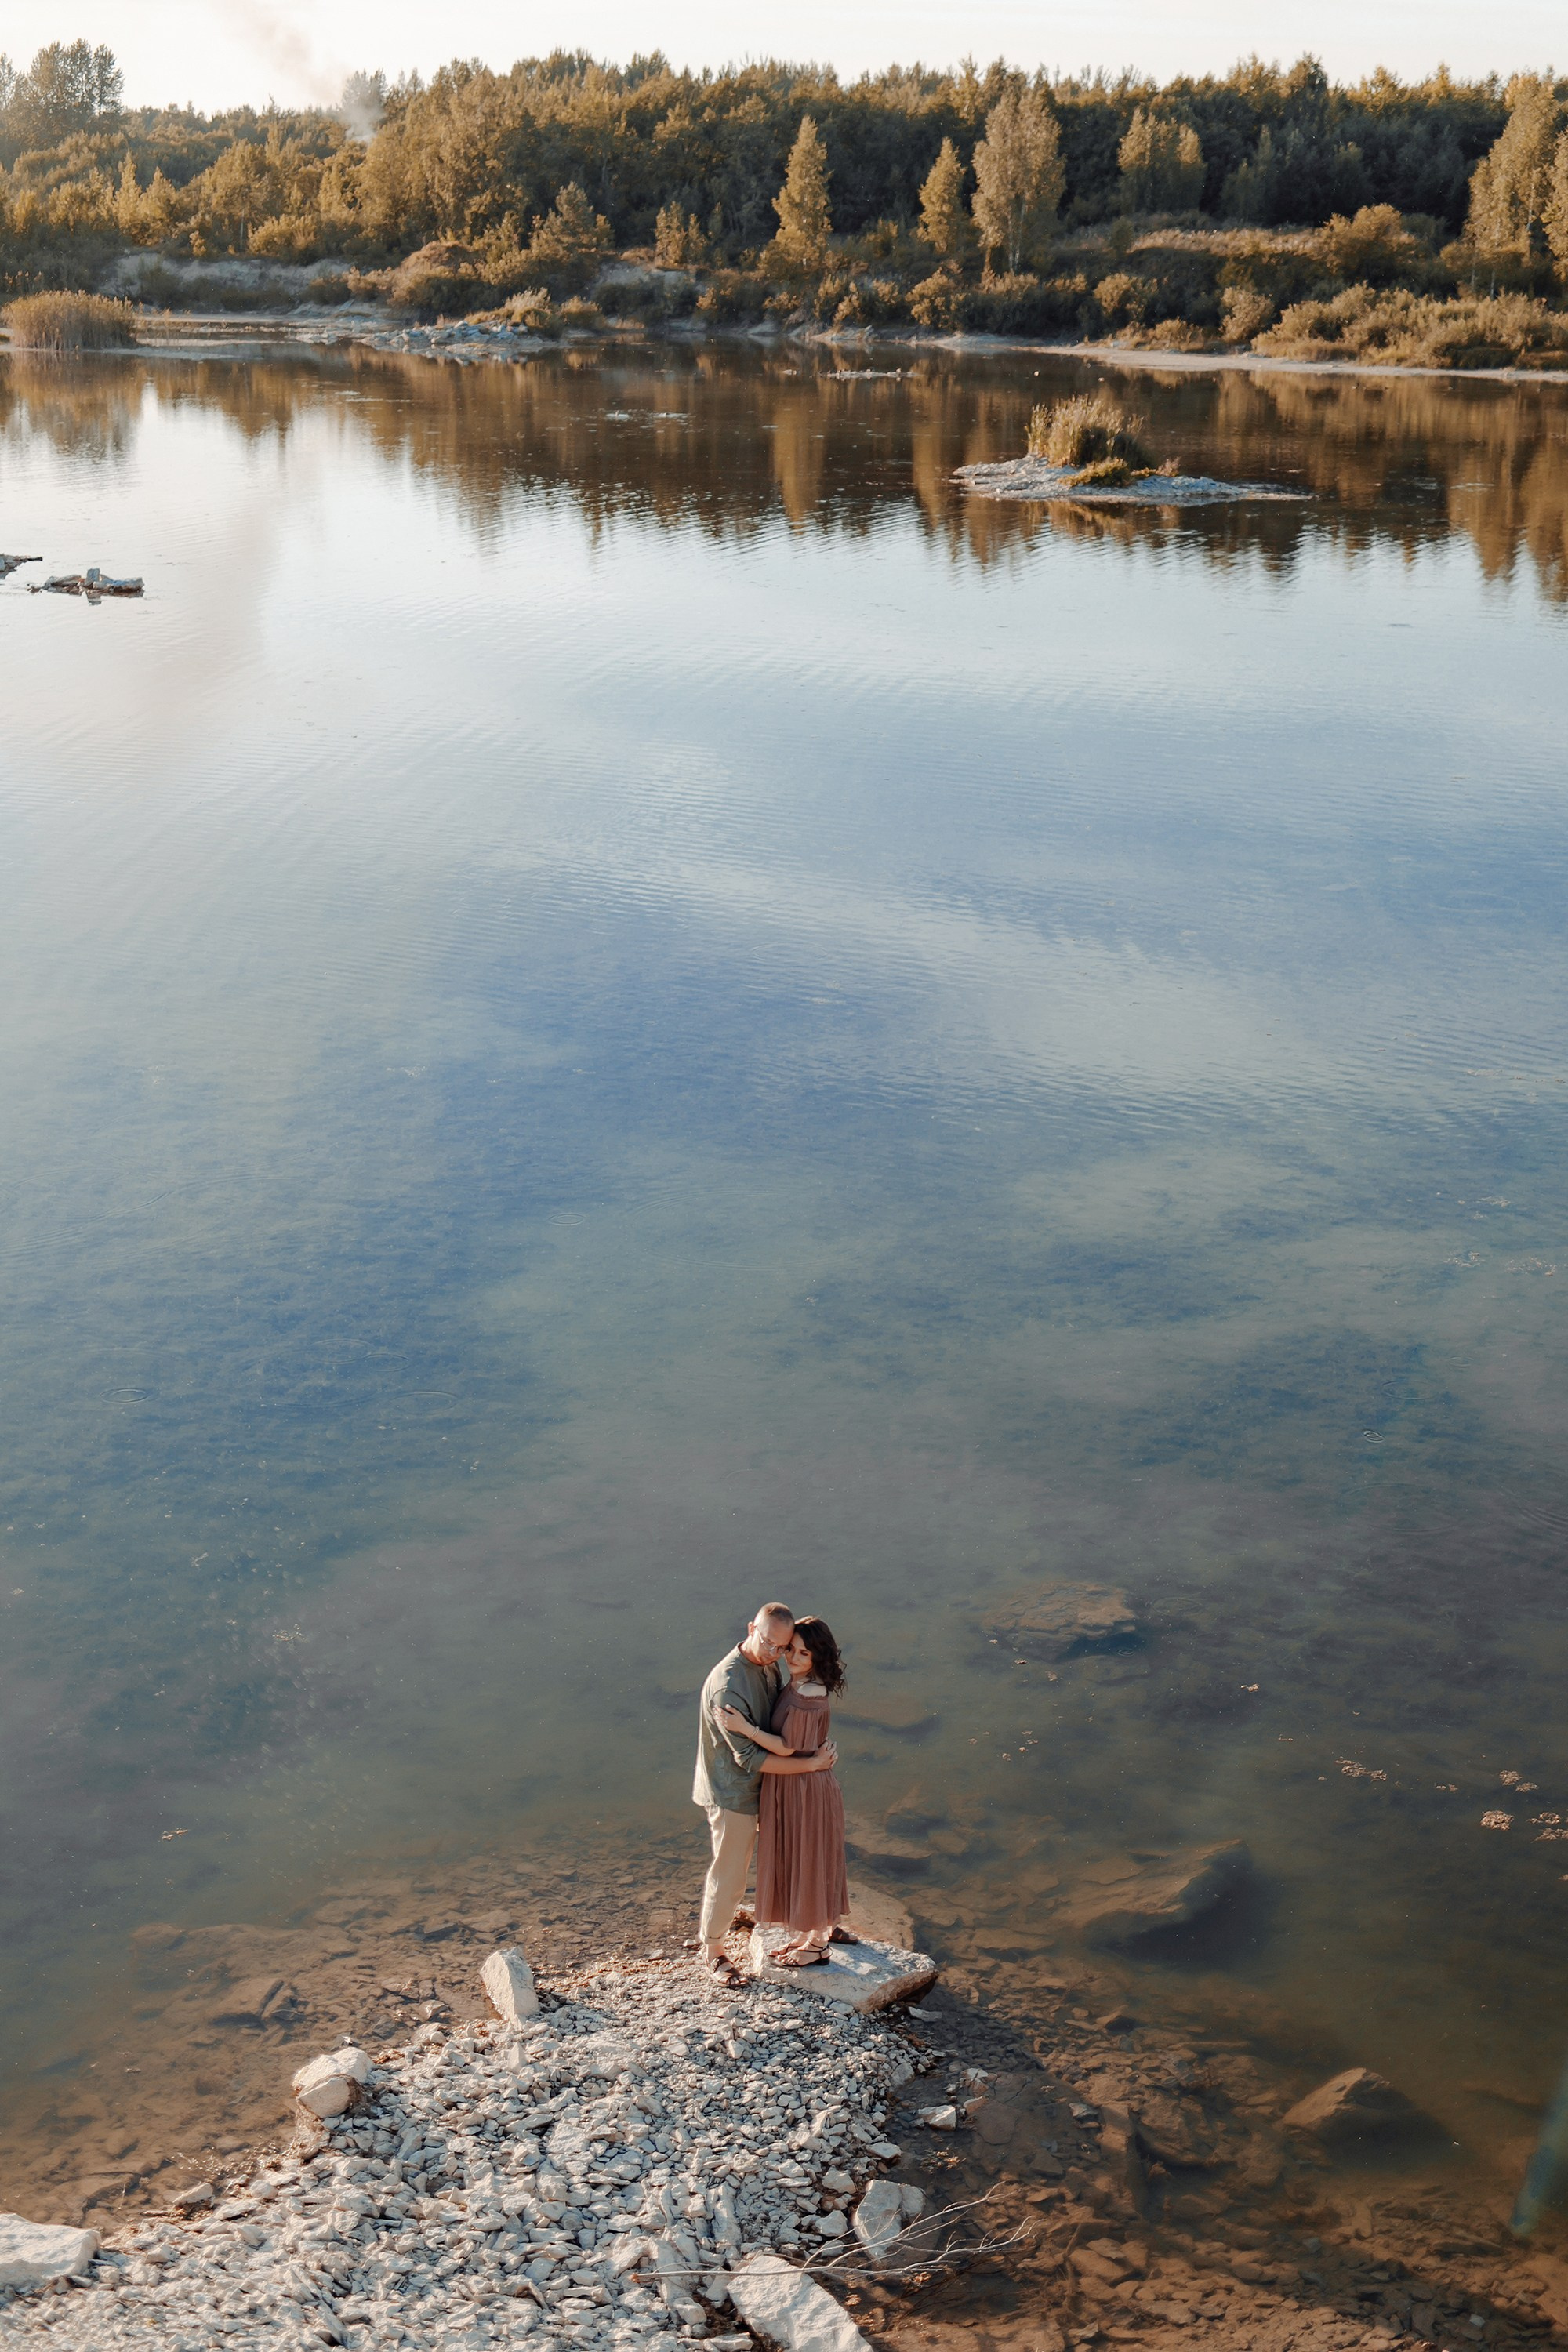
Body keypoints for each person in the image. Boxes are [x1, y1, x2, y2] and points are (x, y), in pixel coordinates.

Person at [693, 1603, 837, 1989]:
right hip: (734, 1791)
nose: (776, 1653)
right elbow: (751, 1757)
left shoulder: (770, 1663)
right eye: (769, 1643)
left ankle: (816, 1926)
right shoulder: (729, 1687)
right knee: (730, 1874)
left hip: (772, 1785)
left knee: (799, 1855)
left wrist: (812, 1747)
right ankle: (713, 1950)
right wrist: (811, 1764)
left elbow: (792, 1720)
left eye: (783, 1647)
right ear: (750, 1629)